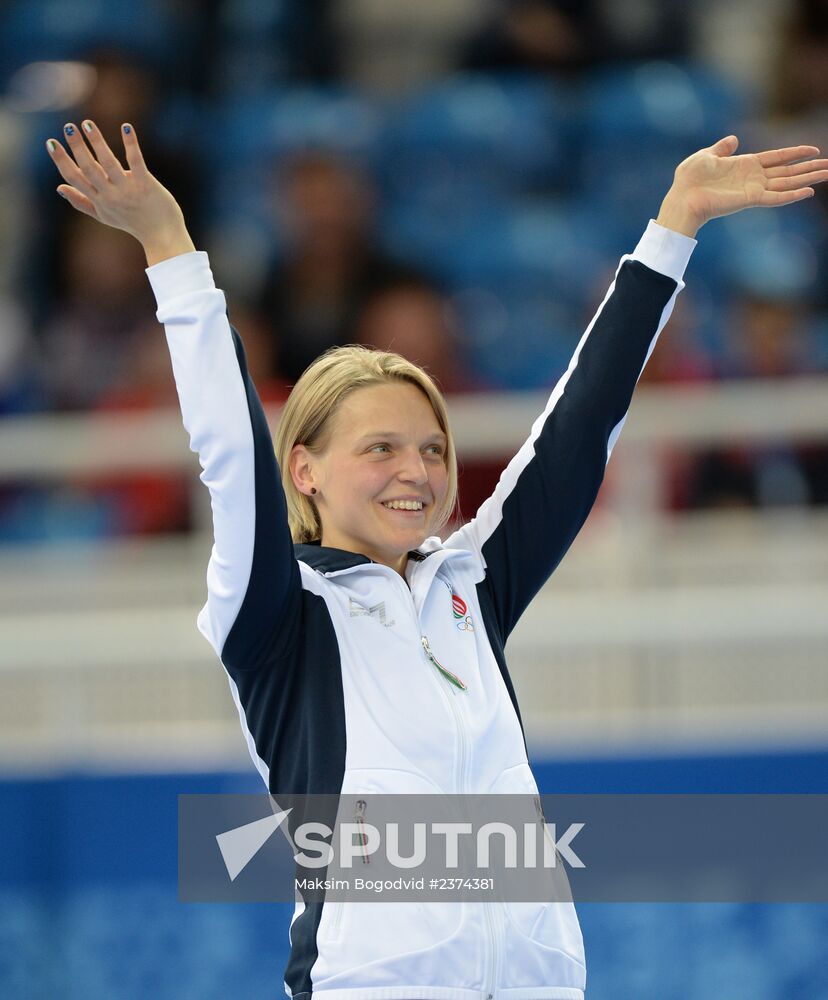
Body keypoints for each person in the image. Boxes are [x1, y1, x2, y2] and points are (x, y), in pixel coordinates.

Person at [45, 119, 826, 999]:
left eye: (430, 448)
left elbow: (580, 426)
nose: (416, 471)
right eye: (380, 448)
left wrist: (673, 226)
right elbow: (229, 450)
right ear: (304, 467)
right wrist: (170, 249)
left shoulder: (473, 586)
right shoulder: (278, 614)